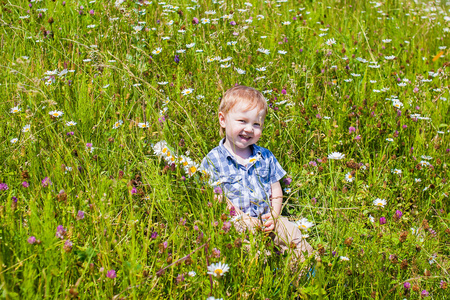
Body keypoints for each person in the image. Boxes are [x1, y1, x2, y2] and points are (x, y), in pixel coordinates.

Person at [201, 85, 314, 264]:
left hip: (268, 218)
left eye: (256, 124)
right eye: (242, 121)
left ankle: (307, 269)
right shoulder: (214, 159)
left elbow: (276, 190)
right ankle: (267, 271)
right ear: (223, 120)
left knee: (293, 233)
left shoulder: (265, 156)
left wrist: (275, 215)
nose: (249, 129)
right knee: (249, 252)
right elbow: (218, 197)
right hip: (237, 222)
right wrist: (243, 219)